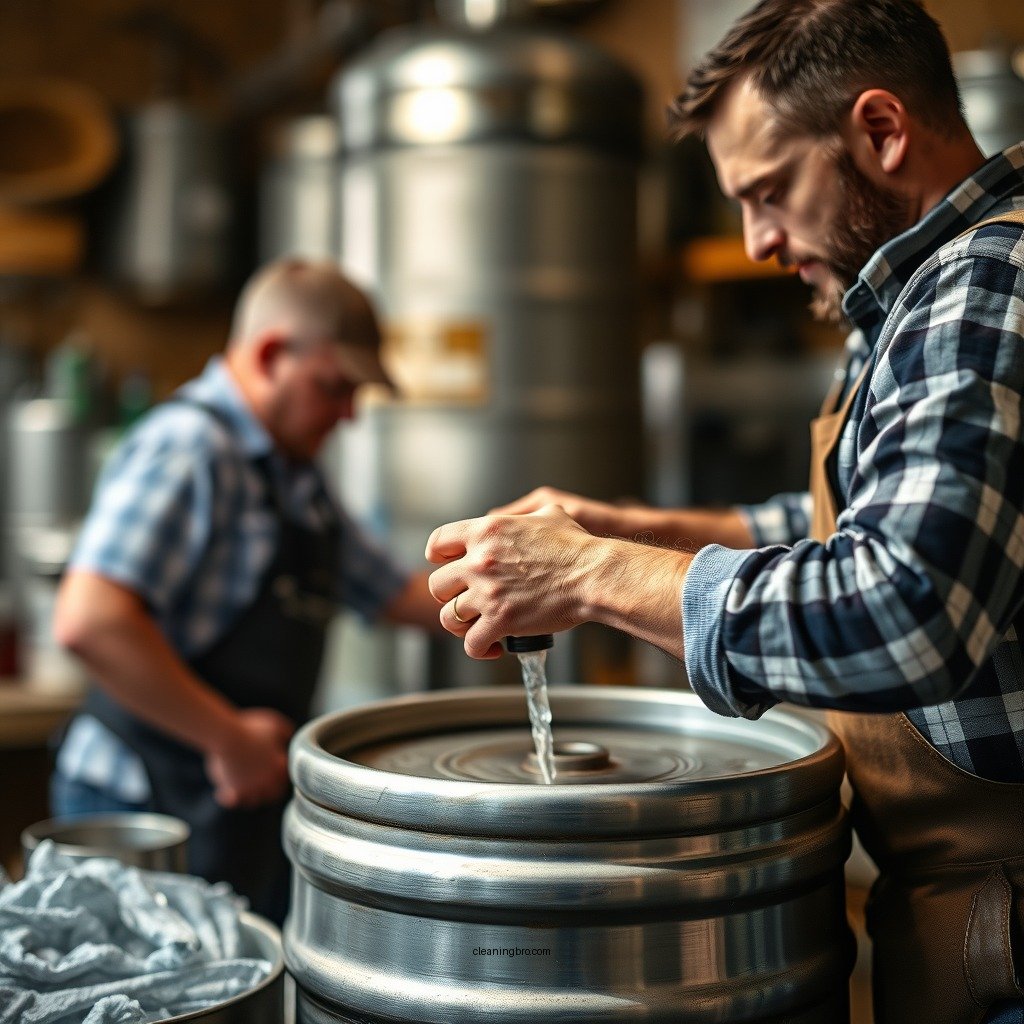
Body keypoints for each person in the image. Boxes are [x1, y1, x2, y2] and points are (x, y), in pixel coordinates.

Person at [424, 2, 1024, 1022]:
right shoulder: (913, 295)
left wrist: (584, 573)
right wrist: (618, 527)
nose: (754, 241)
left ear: (879, 131)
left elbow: (905, 602)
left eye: (770, 191)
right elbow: (850, 523)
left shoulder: (984, 280)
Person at [52, 258, 440, 924]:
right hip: (138, 806)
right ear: (269, 355)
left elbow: (398, 593)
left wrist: (551, 580)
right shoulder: (190, 450)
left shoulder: (294, 480)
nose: (348, 416)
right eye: (335, 387)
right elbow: (91, 621)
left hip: (229, 801)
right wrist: (226, 737)